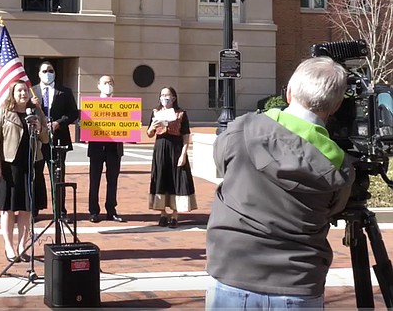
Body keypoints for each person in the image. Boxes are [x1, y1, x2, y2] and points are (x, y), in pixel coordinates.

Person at [206, 57, 355, 309]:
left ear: (288, 92)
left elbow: (221, 165)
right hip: (297, 282)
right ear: (336, 105)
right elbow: (335, 208)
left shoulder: (241, 129)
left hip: (232, 270)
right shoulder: (340, 164)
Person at [0, 81, 49, 263]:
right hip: (9, 165)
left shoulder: (36, 111)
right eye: (19, 91)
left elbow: (46, 139)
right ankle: (8, 245)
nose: (23, 93)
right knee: (8, 208)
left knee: (26, 208)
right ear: (13, 93)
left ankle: (23, 245)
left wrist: (40, 127)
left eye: (25, 90)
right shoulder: (4, 111)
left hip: (31, 164)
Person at [31, 60, 79, 218]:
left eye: (50, 70)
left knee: (57, 176)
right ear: (39, 74)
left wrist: (59, 123)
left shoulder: (64, 92)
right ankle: (35, 209)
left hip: (58, 140)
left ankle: (60, 211)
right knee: (36, 175)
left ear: (54, 73)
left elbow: (73, 113)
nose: (47, 74)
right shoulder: (32, 92)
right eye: (44, 71)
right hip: (37, 140)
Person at [147, 86, 197, 227]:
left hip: (175, 148)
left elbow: (186, 134)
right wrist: (152, 126)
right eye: (162, 95)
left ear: (174, 98)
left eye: (167, 95)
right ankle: (162, 213)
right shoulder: (156, 112)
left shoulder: (181, 113)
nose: (164, 98)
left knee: (177, 179)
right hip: (160, 148)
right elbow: (149, 133)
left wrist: (183, 154)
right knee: (161, 177)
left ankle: (175, 215)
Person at [87, 75, 125, 223]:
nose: (107, 85)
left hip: (114, 147)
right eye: (105, 83)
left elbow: (127, 126)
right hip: (96, 147)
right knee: (94, 179)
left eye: (110, 83)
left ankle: (111, 210)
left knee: (113, 180)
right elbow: (83, 124)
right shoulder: (92, 104)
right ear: (99, 86)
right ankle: (93, 211)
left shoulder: (122, 105)